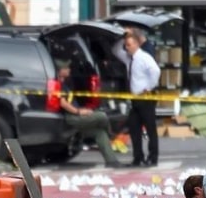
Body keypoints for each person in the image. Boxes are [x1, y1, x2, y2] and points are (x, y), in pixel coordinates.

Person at [56, 59, 123, 168]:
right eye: (66, 68)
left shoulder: (65, 84)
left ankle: (111, 161)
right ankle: (112, 135)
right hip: (72, 117)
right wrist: (79, 111)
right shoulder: (59, 85)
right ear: (60, 71)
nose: (69, 70)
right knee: (102, 116)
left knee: (100, 132)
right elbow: (63, 103)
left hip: (76, 115)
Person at [114, 33, 161, 167]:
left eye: (129, 44)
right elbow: (116, 51)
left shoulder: (144, 57)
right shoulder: (130, 58)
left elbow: (155, 71)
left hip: (145, 98)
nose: (127, 47)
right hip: (135, 99)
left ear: (137, 44)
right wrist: (122, 36)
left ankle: (153, 158)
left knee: (150, 129)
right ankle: (138, 157)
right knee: (134, 127)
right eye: (126, 45)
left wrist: (149, 87)